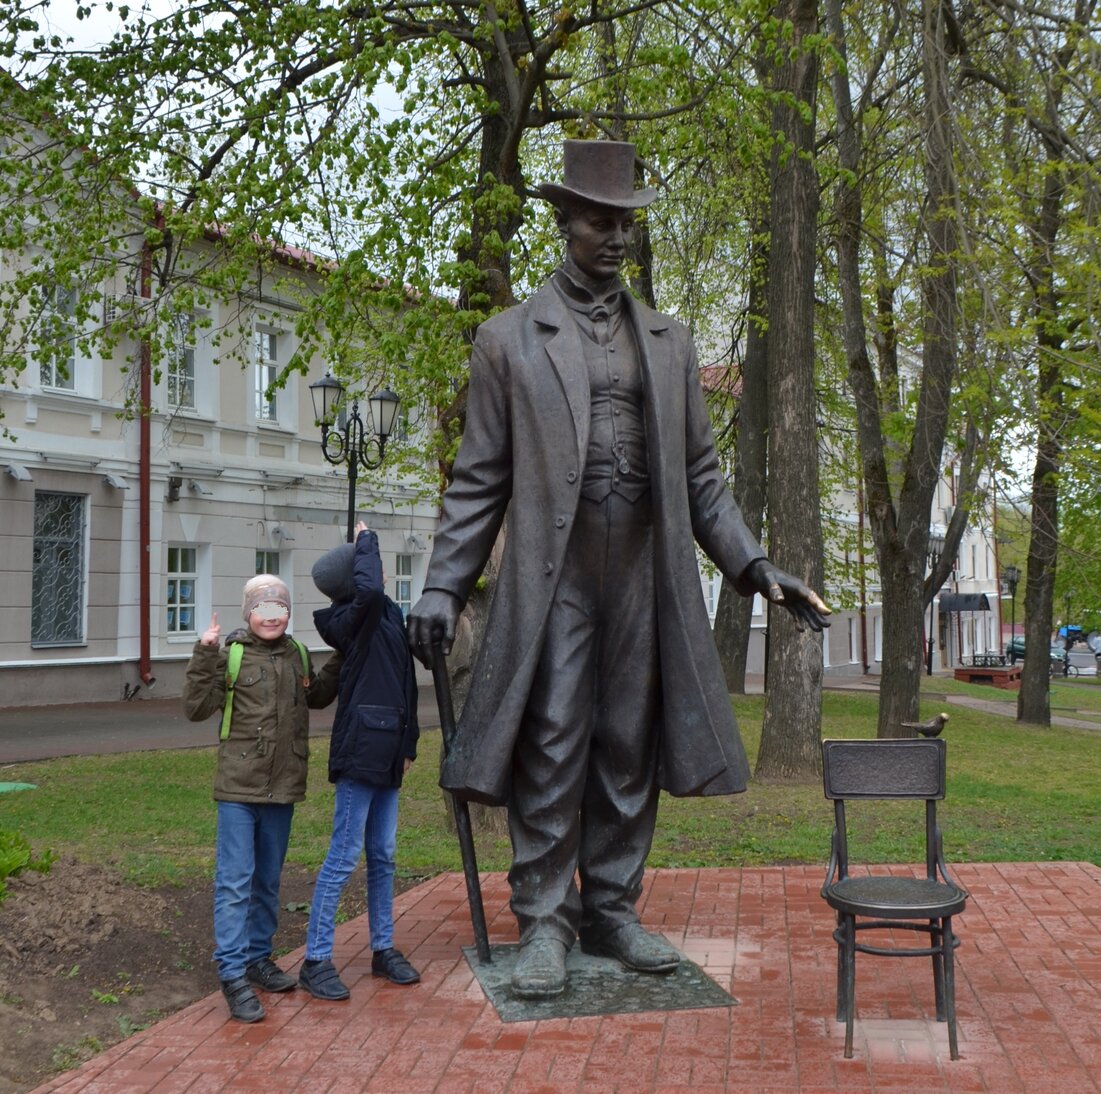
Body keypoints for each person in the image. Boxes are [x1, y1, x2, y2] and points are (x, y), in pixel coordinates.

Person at [408, 139, 832, 1000]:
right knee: (555, 738)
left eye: (625, 221)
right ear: (564, 221)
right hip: (556, 574)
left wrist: (756, 568)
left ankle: (611, 904)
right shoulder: (507, 341)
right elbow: (479, 480)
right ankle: (542, 922)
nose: (613, 235)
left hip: (643, 566)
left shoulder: (672, 344)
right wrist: (443, 584)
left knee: (628, 744)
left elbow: (704, 483)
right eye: (598, 218)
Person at [183, 574, 342, 1023]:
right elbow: (195, 708)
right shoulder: (230, 655)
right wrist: (203, 652)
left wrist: (345, 653)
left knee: (268, 880)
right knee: (235, 884)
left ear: (287, 614)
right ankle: (232, 974)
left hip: (283, 787)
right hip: (238, 787)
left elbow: (319, 697)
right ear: (248, 612)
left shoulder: (297, 654)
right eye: (263, 608)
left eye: (280, 608)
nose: (271, 616)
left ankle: (257, 958)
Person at [298, 522, 422, 1001]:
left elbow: (404, 684)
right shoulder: (352, 617)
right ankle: (316, 958)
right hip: (360, 751)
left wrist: (408, 743)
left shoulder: (386, 614)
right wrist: (366, 537)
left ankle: (383, 948)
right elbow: (369, 587)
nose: (381, 571)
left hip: (388, 749)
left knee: (384, 854)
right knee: (344, 855)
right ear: (355, 580)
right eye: (371, 563)